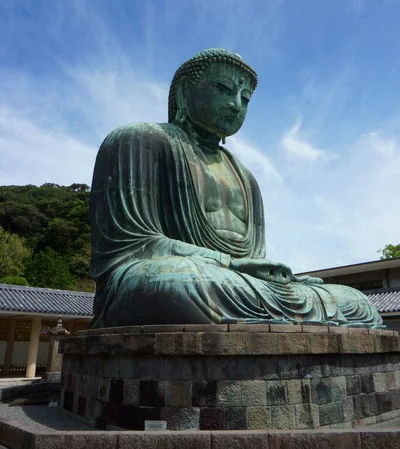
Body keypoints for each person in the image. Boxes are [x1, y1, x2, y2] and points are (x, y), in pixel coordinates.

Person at [90, 48, 383, 329]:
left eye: (245, 98)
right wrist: (228, 262)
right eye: (223, 88)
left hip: (235, 283)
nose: (235, 105)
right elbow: (134, 246)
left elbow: (256, 256)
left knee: (356, 302)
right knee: (175, 286)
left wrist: (270, 276)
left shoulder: (245, 176)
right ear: (182, 91)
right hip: (174, 277)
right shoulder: (138, 140)